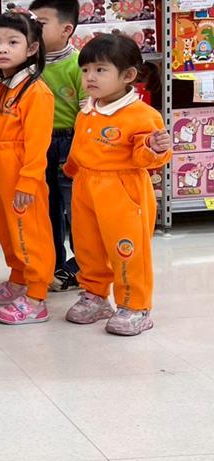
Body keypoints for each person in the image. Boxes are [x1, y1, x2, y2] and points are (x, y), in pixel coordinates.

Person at [62, 35, 172, 336]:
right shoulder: (88, 110)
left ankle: (135, 306)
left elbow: (148, 159)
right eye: (85, 70)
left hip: (123, 190)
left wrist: (154, 147)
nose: (90, 77)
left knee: (127, 248)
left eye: (100, 70)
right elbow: (80, 147)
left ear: (128, 75)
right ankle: (95, 295)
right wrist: (71, 170)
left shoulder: (142, 115)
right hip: (85, 186)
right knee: (88, 246)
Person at [0, 13, 56, 325]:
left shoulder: (36, 91)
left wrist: (28, 180)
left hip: (21, 173)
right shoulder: (1, 87)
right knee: (8, 231)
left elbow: (38, 144)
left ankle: (36, 296)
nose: (2, 49)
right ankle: (18, 279)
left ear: (32, 48)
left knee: (29, 232)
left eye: (12, 42)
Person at [30, 0, 88, 292]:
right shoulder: (29, 64)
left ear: (66, 29)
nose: (32, 29)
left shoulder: (80, 65)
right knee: (45, 207)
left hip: (70, 140)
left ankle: (84, 266)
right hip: (38, 143)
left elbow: (87, 111)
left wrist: (81, 148)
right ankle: (52, 264)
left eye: (40, 23)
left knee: (76, 208)